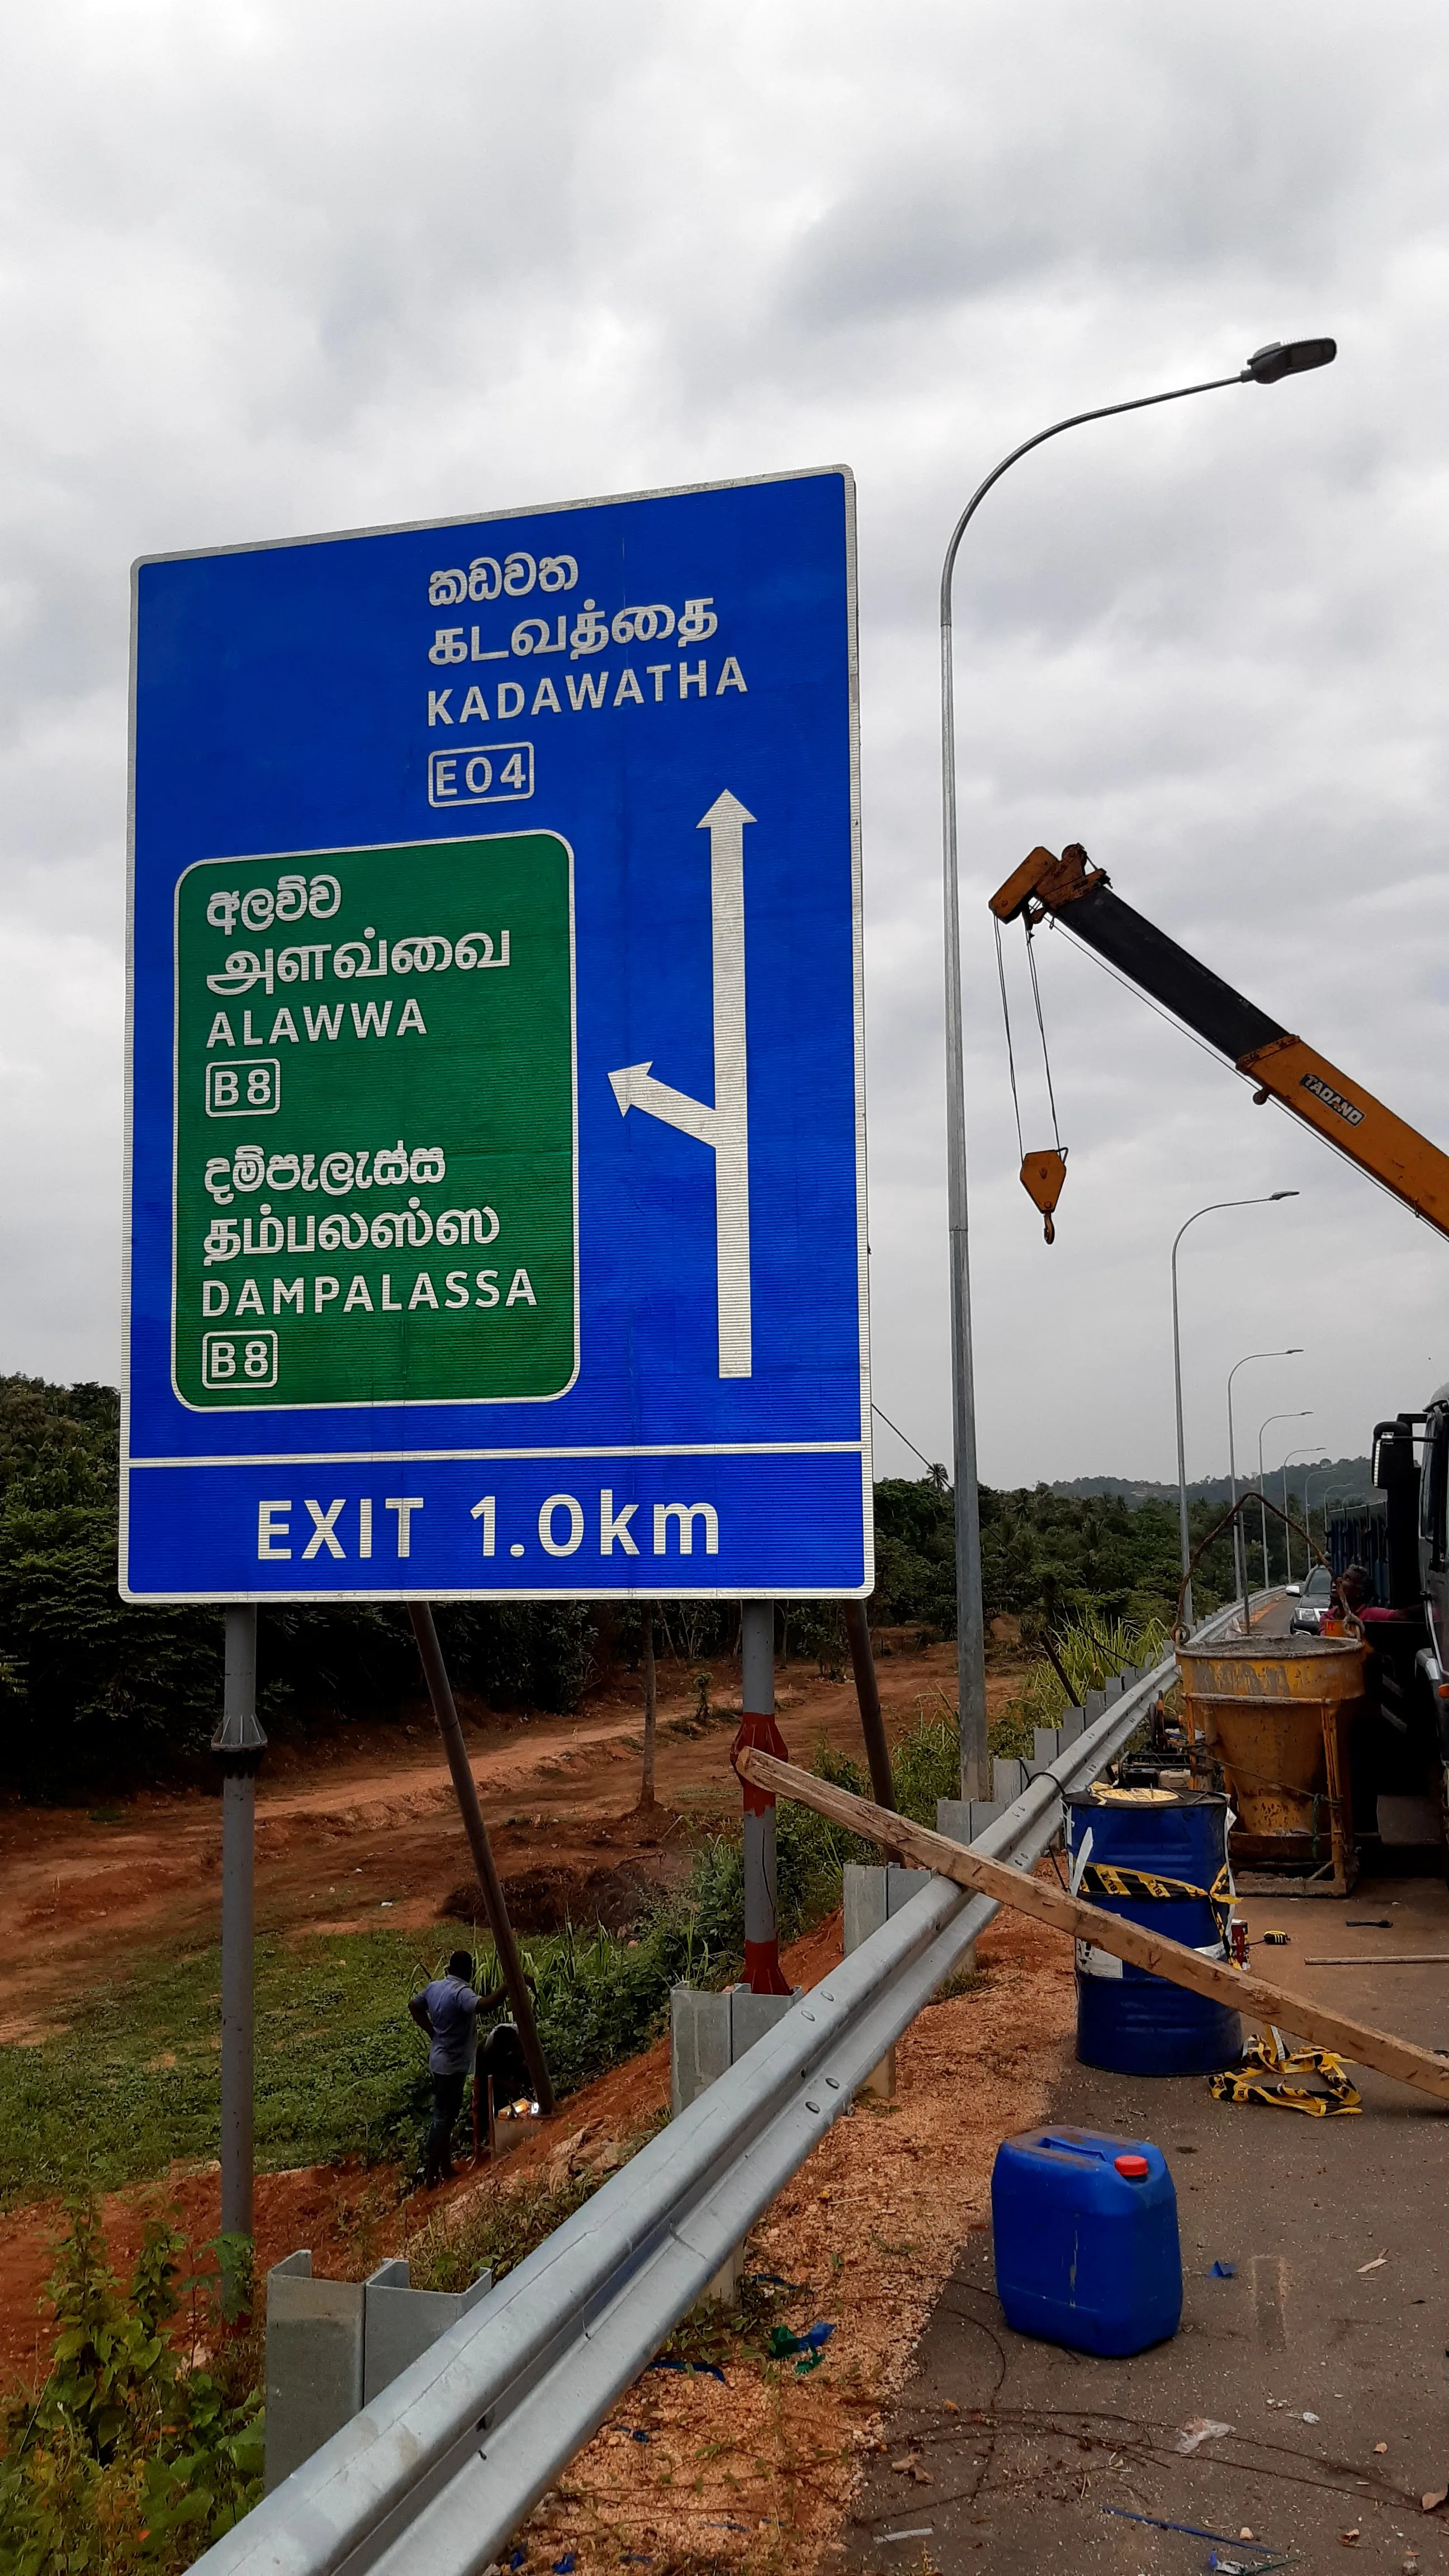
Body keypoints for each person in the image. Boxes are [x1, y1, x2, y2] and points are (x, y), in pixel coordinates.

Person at [409, 1950, 483, 2187]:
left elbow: (414, 2006)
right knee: (443, 2117)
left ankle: (444, 2167)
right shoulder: (462, 1993)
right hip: (453, 2065)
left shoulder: (434, 1987)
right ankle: (431, 2175)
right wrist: (513, 1983)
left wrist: (433, 2032)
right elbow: (483, 2006)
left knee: (445, 2115)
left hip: (438, 2060)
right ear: (468, 1970)